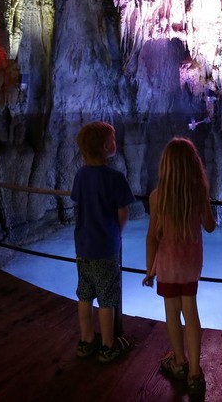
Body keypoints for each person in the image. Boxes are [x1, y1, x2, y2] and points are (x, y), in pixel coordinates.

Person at [142, 138, 216, 397]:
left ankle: (179, 363)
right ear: (193, 166)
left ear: (166, 167)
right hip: (190, 265)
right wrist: (204, 203)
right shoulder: (198, 193)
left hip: (168, 265)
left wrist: (150, 269)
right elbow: (210, 226)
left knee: (172, 313)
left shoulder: (157, 197)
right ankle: (195, 374)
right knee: (191, 313)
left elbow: (152, 236)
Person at [71, 121, 136, 363]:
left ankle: (86, 340)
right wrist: (115, 234)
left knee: (85, 294)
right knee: (107, 298)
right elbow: (123, 211)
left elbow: (79, 204)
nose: (115, 142)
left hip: (83, 246)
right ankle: (108, 345)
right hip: (105, 248)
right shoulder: (115, 178)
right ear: (105, 146)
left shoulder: (80, 176)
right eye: (113, 138)